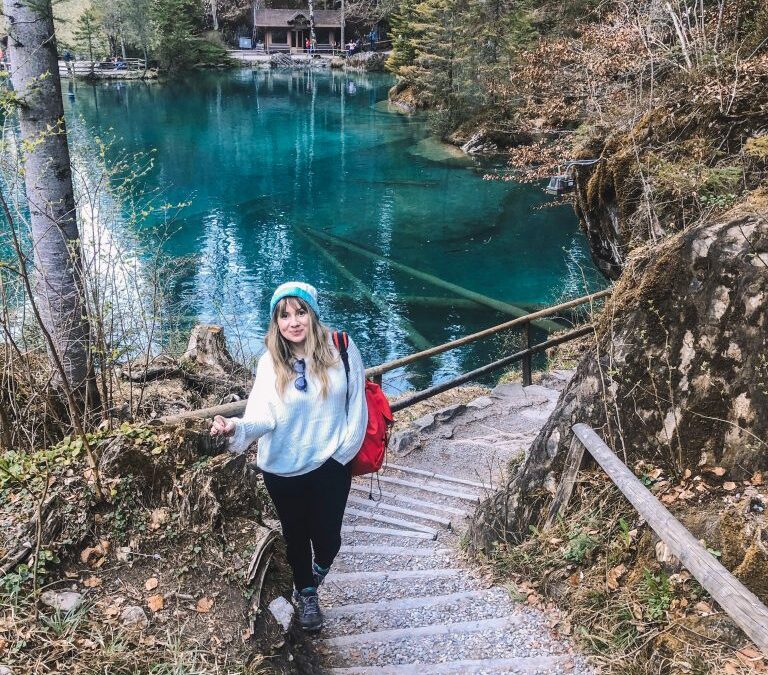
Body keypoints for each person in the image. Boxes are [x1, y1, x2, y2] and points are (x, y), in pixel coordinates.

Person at [210, 282, 367, 632]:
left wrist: (342, 455)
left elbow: (357, 405)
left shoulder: (340, 347)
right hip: (282, 469)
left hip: (331, 463)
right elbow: (262, 416)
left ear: (312, 314)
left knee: (328, 537)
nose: (293, 322)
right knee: (296, 535)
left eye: (300, 312)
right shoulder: (270, 362)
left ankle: (317, 572)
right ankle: (307, 594)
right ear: (276, 322)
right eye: (284, 315)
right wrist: (233, 427)